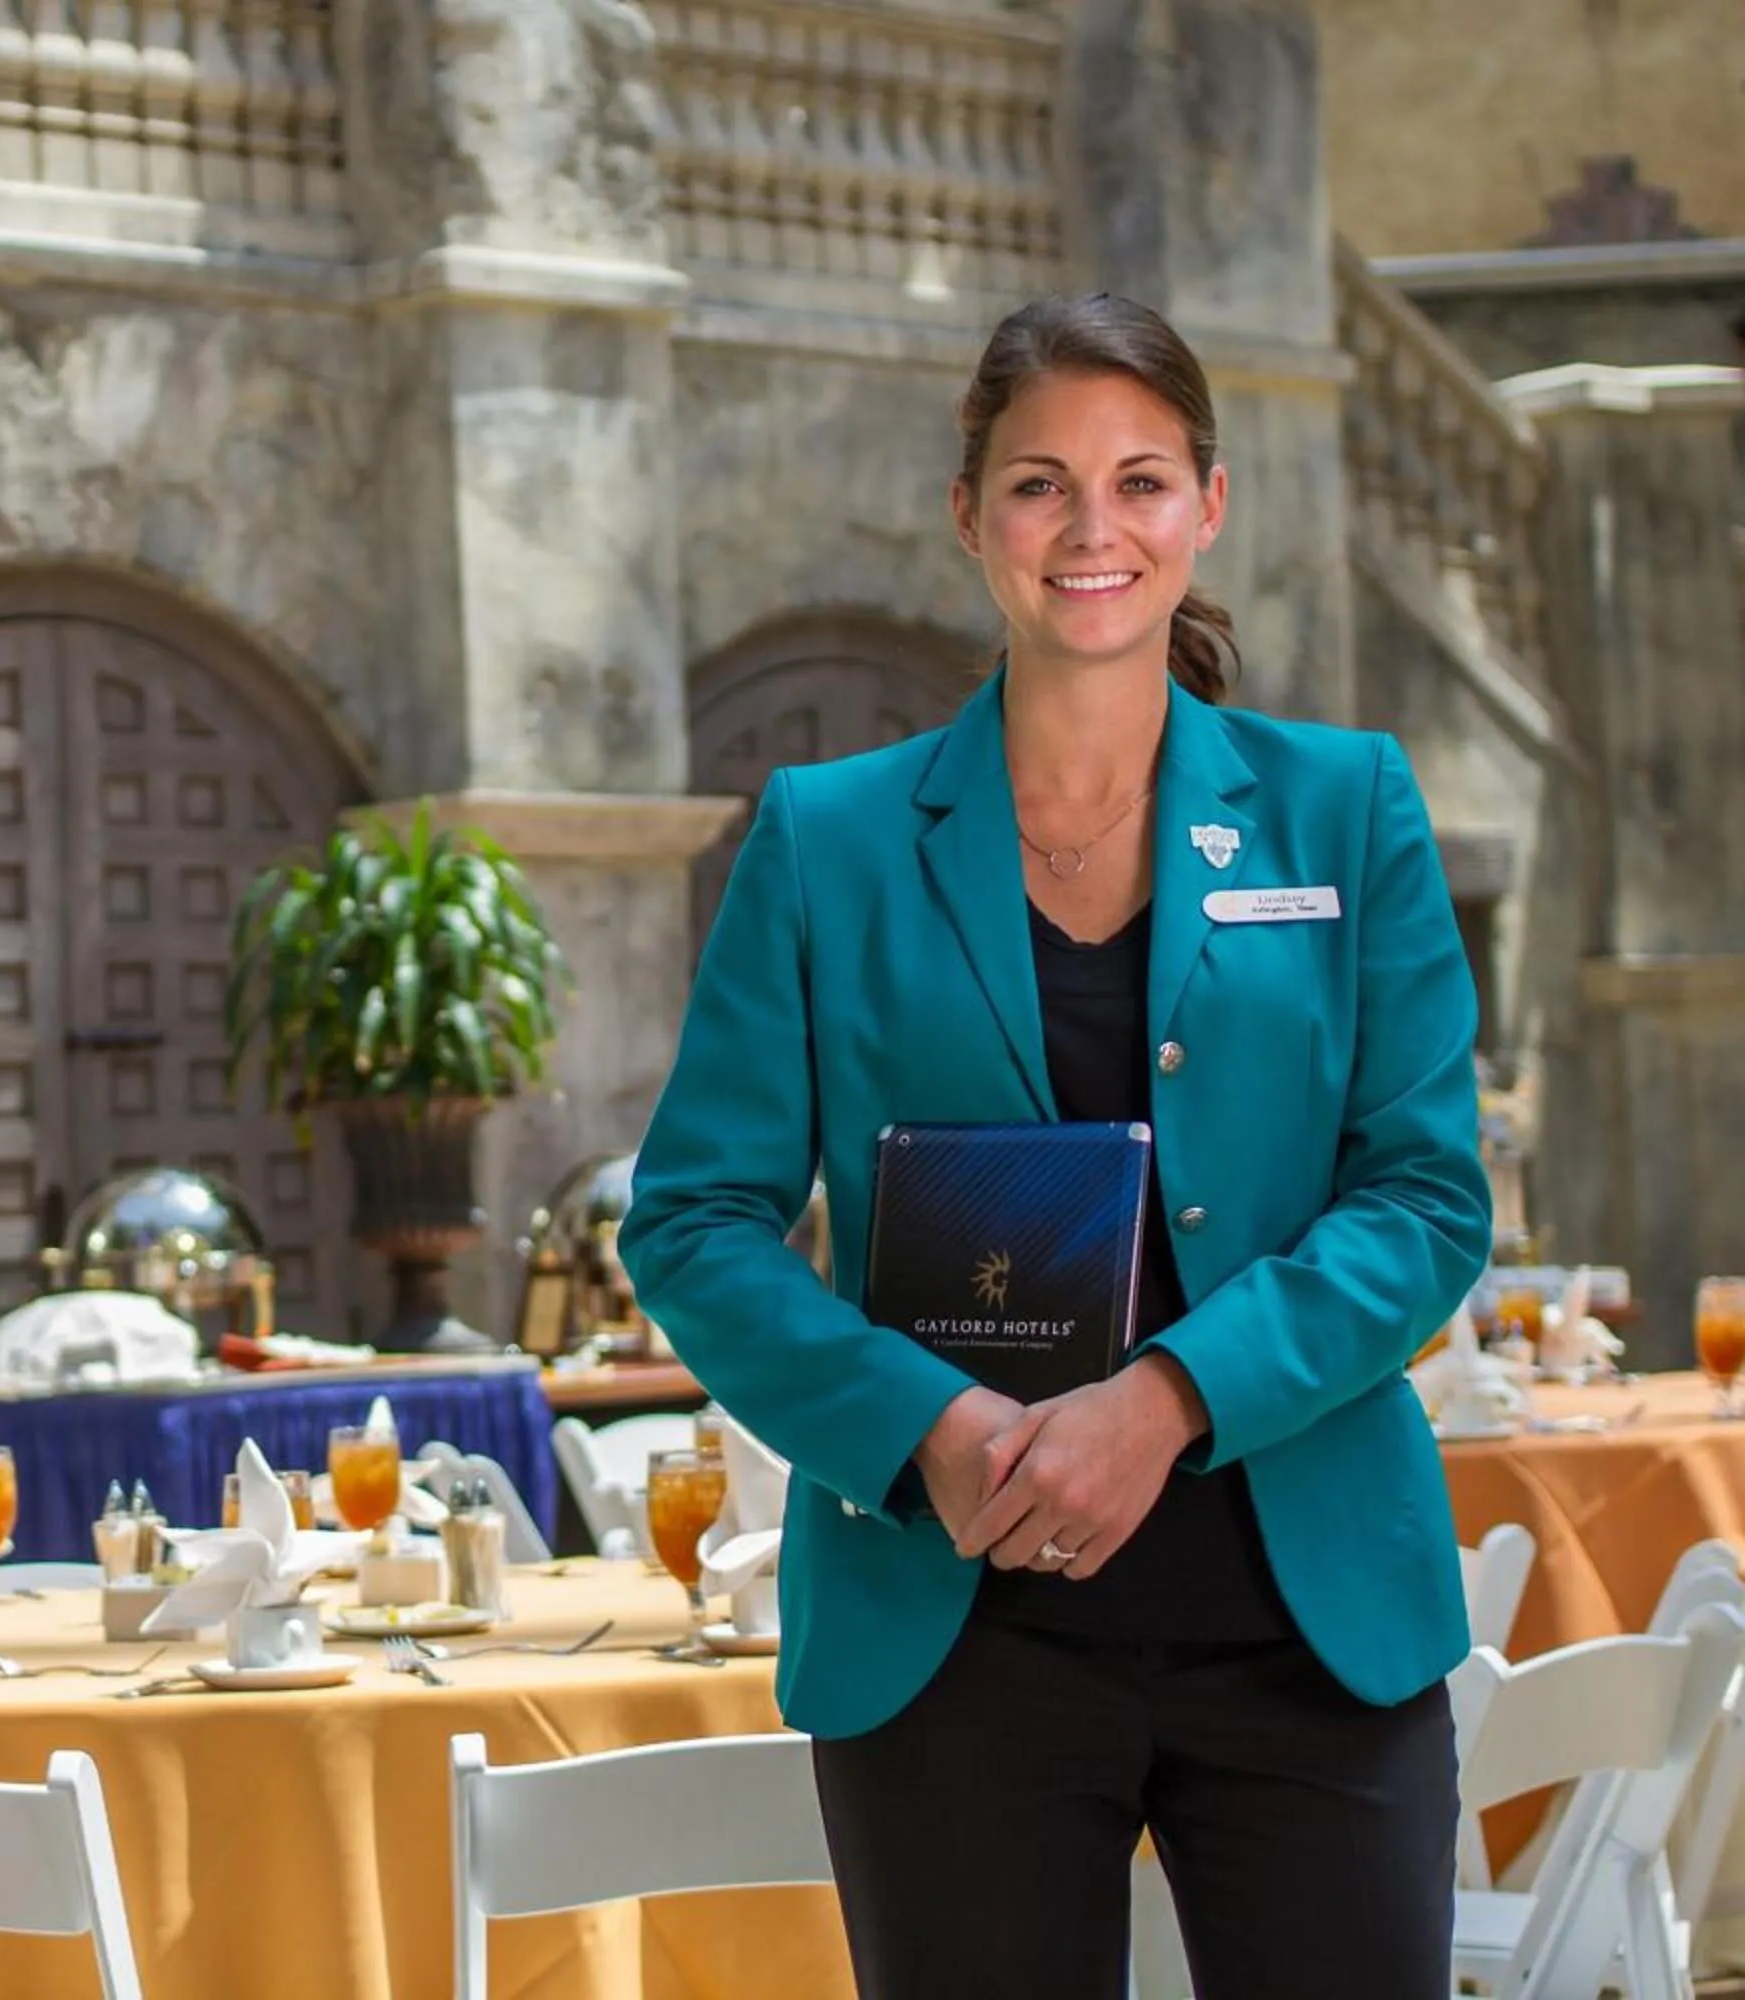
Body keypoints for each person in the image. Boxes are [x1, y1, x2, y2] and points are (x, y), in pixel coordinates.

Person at [619, 294, 1493, 1998]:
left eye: (1141, 481)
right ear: (969, 515)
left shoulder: (1347, 807)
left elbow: (1424, 1197)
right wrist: (926, 1429)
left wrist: (1165, 1401)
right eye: (1041, 485)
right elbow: (695, 1222)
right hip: (949, 1631)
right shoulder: (827, 838)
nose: (1094, 530)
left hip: (1309, 1617)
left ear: (1208, 506)